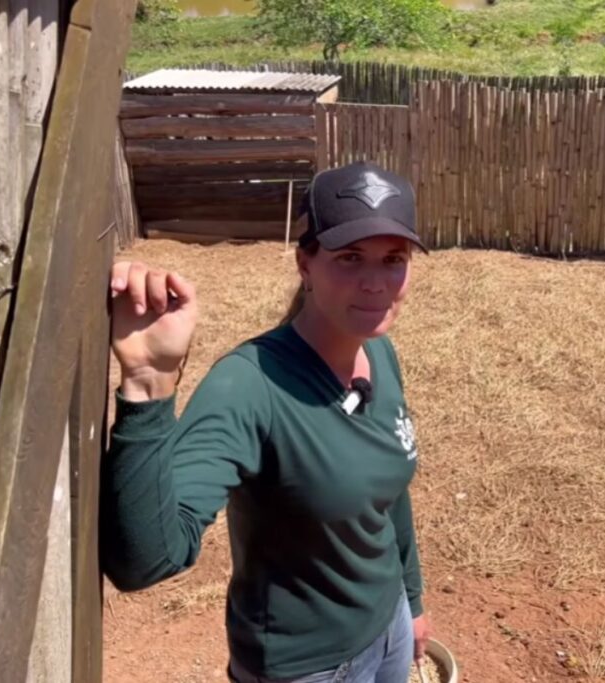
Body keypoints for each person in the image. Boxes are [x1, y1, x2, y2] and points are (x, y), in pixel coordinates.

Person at [101, 161, 433, 683]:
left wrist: (410, 602)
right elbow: (143, 561)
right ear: (305, 263)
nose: (375, 283)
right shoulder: (249, 386)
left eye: (393, 259)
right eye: (349, 257)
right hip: (307, 667)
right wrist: (148, 380)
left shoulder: (381, 355)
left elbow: (389, 492)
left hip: (387, 631)